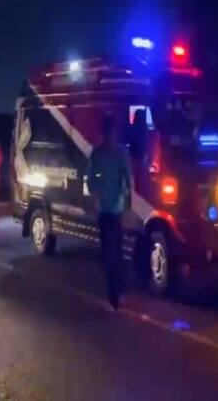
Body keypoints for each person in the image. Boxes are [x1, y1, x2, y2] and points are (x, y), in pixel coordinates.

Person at [87, 116, 132, 311]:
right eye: (110, 132)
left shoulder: (107, 154)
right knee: (112, 252)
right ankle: (114, 294)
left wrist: (126, 201)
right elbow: (91, 180)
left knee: (113, 252)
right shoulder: (104, 154)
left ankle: (115, 294)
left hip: (112, 210)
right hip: (109, 210)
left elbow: (127, 179)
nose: (111, 136)